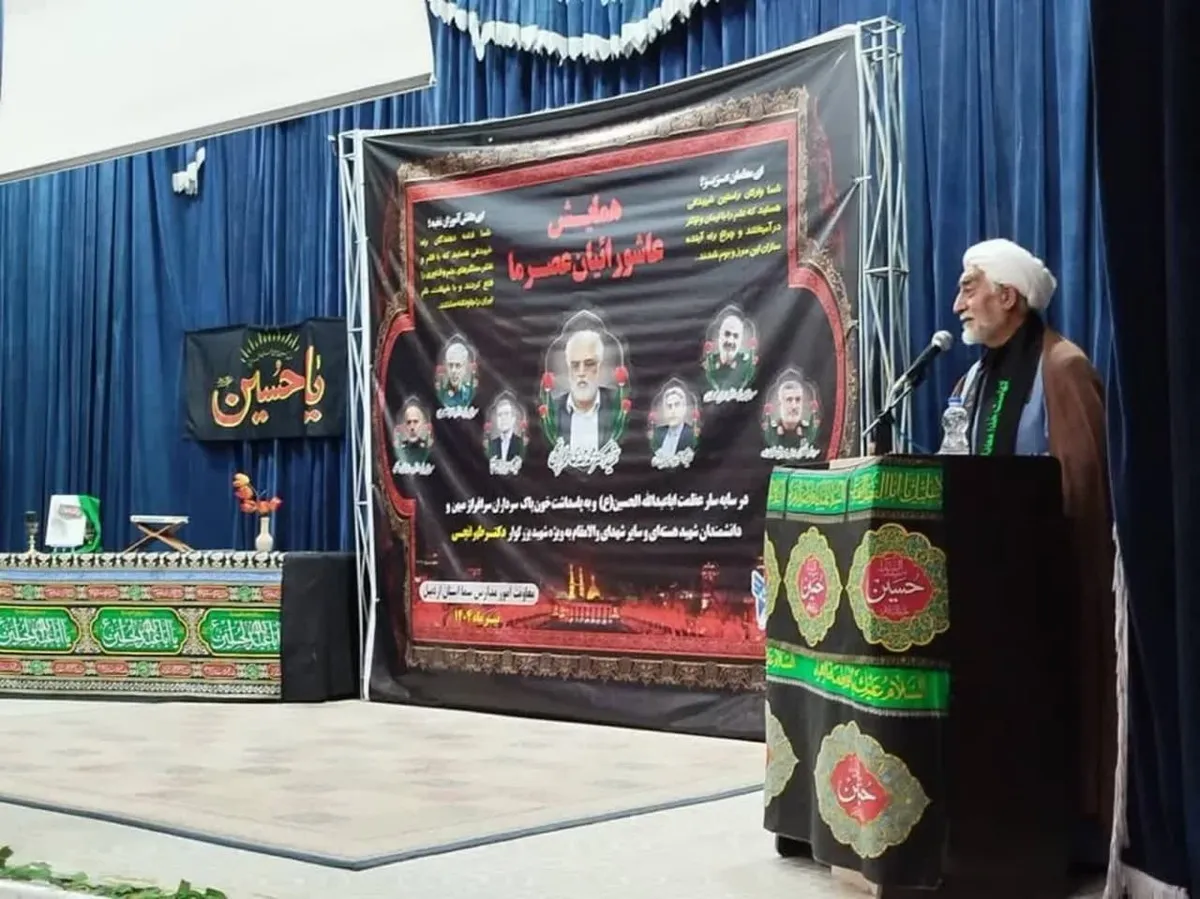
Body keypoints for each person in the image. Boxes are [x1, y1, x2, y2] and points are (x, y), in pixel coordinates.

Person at [949, 237, 1114, 868]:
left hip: (1052, 592)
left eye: (970, 287)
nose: (958, 303)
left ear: (1009, 297)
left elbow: (1085, 491)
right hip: (986, 589)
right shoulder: (975, 378)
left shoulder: (1061, 367)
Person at [554, 329, 615, 450]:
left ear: (600, 367)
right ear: (568, 370)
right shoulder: (553, 410)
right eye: (575, 365)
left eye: (589, 364)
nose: (581, 373)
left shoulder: (617, 405)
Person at [652, 386, 695, 455]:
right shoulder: (657, 434)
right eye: (669, 406)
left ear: (684, 409)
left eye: (677, 405)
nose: (673, 411)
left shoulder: (692, 435)